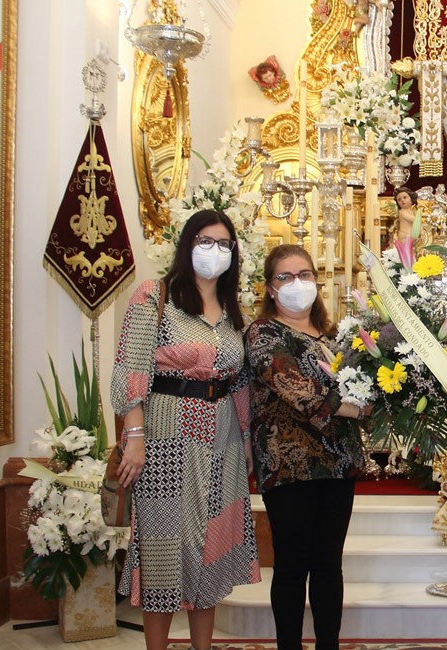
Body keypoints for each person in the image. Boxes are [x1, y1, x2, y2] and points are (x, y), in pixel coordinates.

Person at [111, 209, 260, 650]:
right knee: (162, 550)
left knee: (209, 547)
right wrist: (133, 438)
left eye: (224, 245)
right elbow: (129, 371)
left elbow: (242, 382)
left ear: (234, 254)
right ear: (187, 244)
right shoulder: (155, 296)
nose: (214, 252)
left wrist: (248, 443)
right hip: (166, 435)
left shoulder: (236, 311)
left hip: (223, 439)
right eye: (205, 241)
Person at [246, 244, 369, 650]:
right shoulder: (263, 333)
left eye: (304, 275)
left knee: (329, 565)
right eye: (285, 276)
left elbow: (368, 380)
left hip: (338, 465)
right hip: (290, 466)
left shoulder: (335, 336)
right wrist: (358, 406)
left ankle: (328, 645)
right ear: (270, 287)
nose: (297, 283)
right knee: (293, 566)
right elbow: (296, 388)